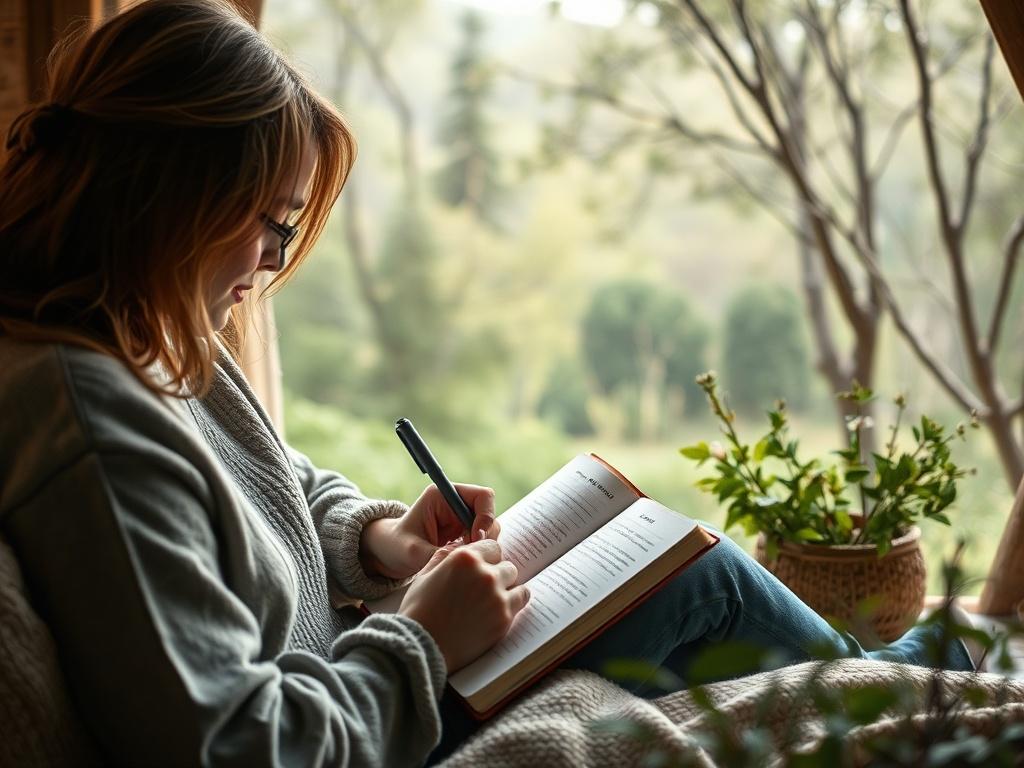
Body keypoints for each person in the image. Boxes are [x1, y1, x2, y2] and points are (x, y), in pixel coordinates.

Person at [0, 1, 975, 766]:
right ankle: (925, 680)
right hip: (375, 721)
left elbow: (284, 484)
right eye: (270, 220)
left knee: (682, 565)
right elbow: (240, 748)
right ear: (172, 198)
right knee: (703, 584)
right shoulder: (87, 423)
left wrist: (382, 544)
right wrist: (424, 639)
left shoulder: (149, 337)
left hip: (372, 682)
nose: (272, 257)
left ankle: (920, 676)